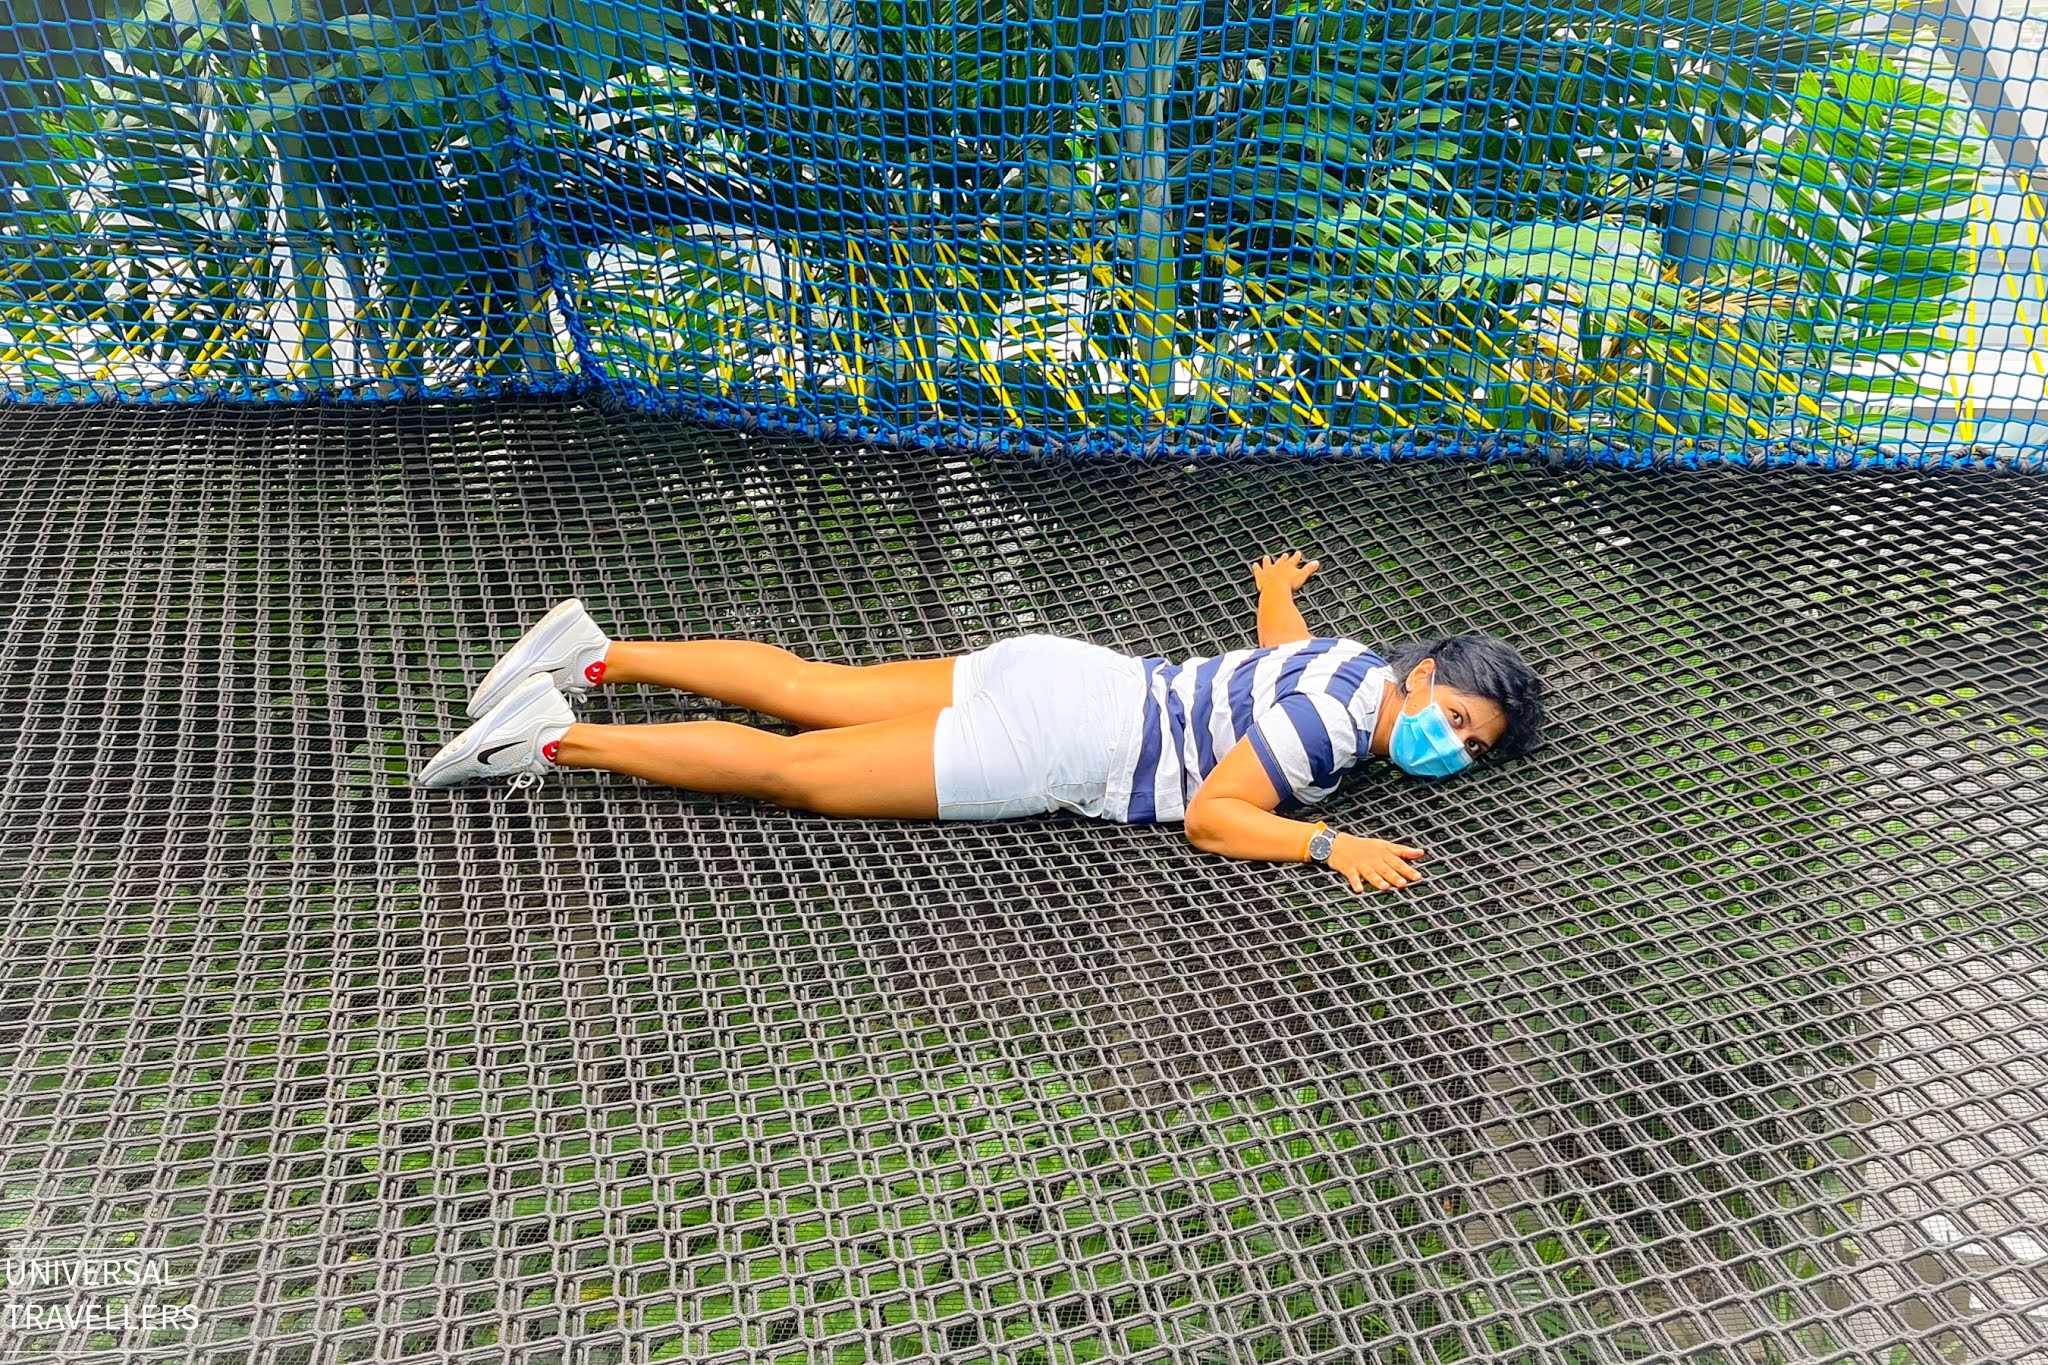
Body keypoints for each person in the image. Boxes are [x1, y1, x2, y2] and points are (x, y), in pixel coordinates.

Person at [416, 552, 1545, 893]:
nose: (1451, 745)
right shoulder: (1339, 733)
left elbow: (1276, 635)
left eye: (1471, 747)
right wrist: (1324, 841)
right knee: (795, 773)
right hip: (1069, 747)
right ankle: (549, 735)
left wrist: (1275, 585)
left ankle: (592, 652)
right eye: (1452, 716)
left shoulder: (1343, 663)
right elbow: (1212, 816)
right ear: (1421, 676)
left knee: (812, 684)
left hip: (1068, 669)